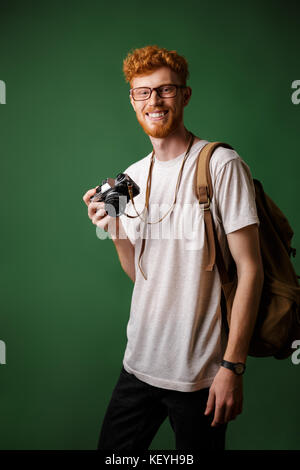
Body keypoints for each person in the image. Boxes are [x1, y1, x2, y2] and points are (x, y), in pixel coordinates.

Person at [82, 45, 264, 451]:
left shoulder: (221, 164)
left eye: (165, 90)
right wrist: (112, 227)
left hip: (201, 373)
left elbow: (251, 269)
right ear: (132, 100)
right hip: (139, 364)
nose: (154, 101)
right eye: (143, 92)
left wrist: (232, 368)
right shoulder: (128, 178)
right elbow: (140, 273)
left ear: (185, 95)